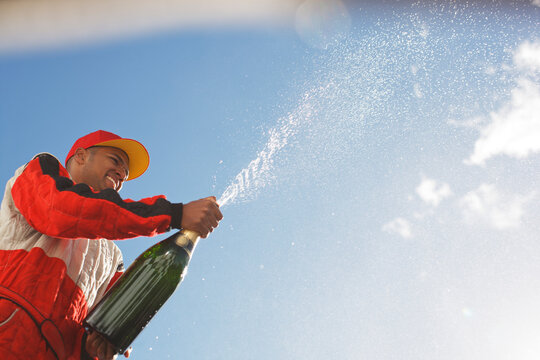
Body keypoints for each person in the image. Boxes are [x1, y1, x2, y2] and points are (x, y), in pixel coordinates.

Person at [0, 130, 223, 360]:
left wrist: (98, 345)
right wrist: (174, 214)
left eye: (125, 174)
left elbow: (98, 329)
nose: (121, 174)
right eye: (115, 161)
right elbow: (62, 209)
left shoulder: (112, 258)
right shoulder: (39, 170)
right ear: (80, 156)